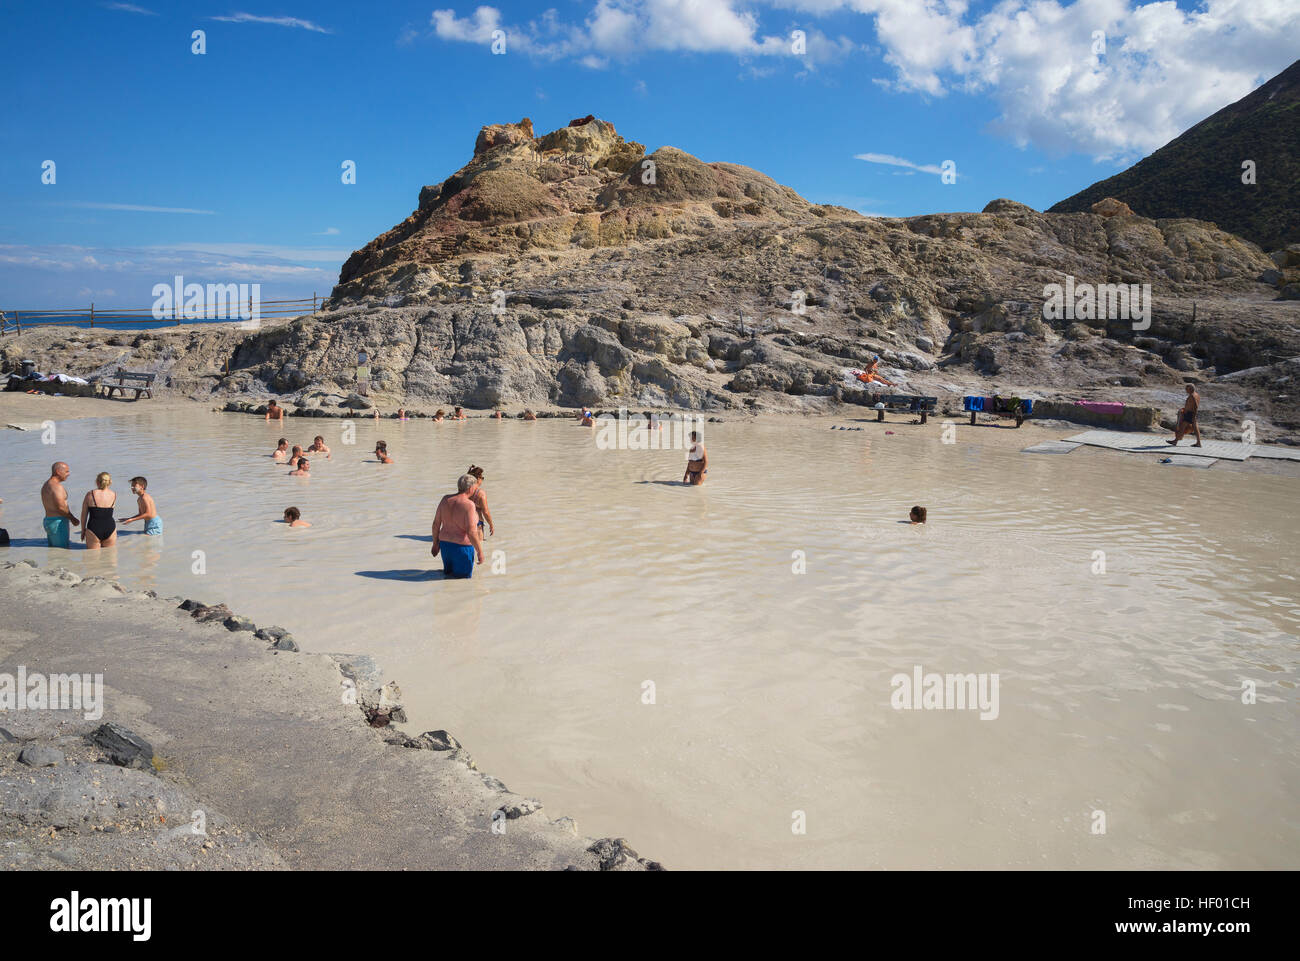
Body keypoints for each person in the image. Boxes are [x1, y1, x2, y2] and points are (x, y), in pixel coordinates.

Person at [431, 474, 485, 578]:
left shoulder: (445, 499)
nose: (476, 490)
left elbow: (435, 524)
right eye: (475, 487)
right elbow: (471, 532)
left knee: (448, 577)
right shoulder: (469, 505)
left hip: (445, 546)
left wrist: (435, 544)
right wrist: (480, 552)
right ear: (470, 488)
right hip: (462, 547)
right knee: (462, 582)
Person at [40, 462, 79, 547]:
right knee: (63, 552)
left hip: (49, 521)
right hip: (58, 523)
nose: (68, 474)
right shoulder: (56, 487)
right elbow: (61, 507)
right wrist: (73, 519)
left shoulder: (46, 484)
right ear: (58, 471)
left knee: (54, 552)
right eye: (66, 471)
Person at [80, 471, 117, 549]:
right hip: (110, 527)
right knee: (110, 558)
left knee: (92, 559)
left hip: (94, 528)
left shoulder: (90, 494)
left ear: (97, 482)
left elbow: (84, 515)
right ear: (110, 482)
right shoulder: (113, 494)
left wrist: (83, 530)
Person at [467, 465, 495, 536]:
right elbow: (486, 512)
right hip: (477, 523)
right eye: (482, 478)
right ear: (478, 478)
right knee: (479, 545)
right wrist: (491, 525)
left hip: (464, 522)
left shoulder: (464, 490)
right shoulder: (480, 493)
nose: (482, 480)